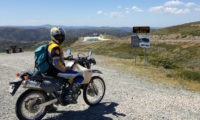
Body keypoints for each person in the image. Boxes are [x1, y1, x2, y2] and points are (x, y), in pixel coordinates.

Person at [43, 27, 83, 112]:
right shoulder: (55, 47)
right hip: (56, 71)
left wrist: (65, 57)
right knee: (79, 75)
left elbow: (55, 57)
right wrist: (65, 69)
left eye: (61, 36)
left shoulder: (50, 44)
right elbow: (56, 63)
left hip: (50, 70)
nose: (60, 38)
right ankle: (68, 96)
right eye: (58, 36)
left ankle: (51, 104)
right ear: (53, 36)